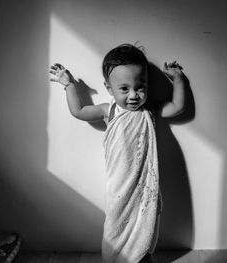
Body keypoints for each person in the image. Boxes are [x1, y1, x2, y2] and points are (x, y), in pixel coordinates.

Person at [49, 44, 186, 263]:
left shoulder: (148, 110)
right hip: (119, 188)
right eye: (124, 89)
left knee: (144, 225)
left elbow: (178, 107)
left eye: (140, 87)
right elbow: (79, 111)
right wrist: (69, 85)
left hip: (143, 186)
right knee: (115, 229)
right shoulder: (109, 110)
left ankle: (142, 255)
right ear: (109, 88)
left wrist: (178, 78)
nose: (134, 95)